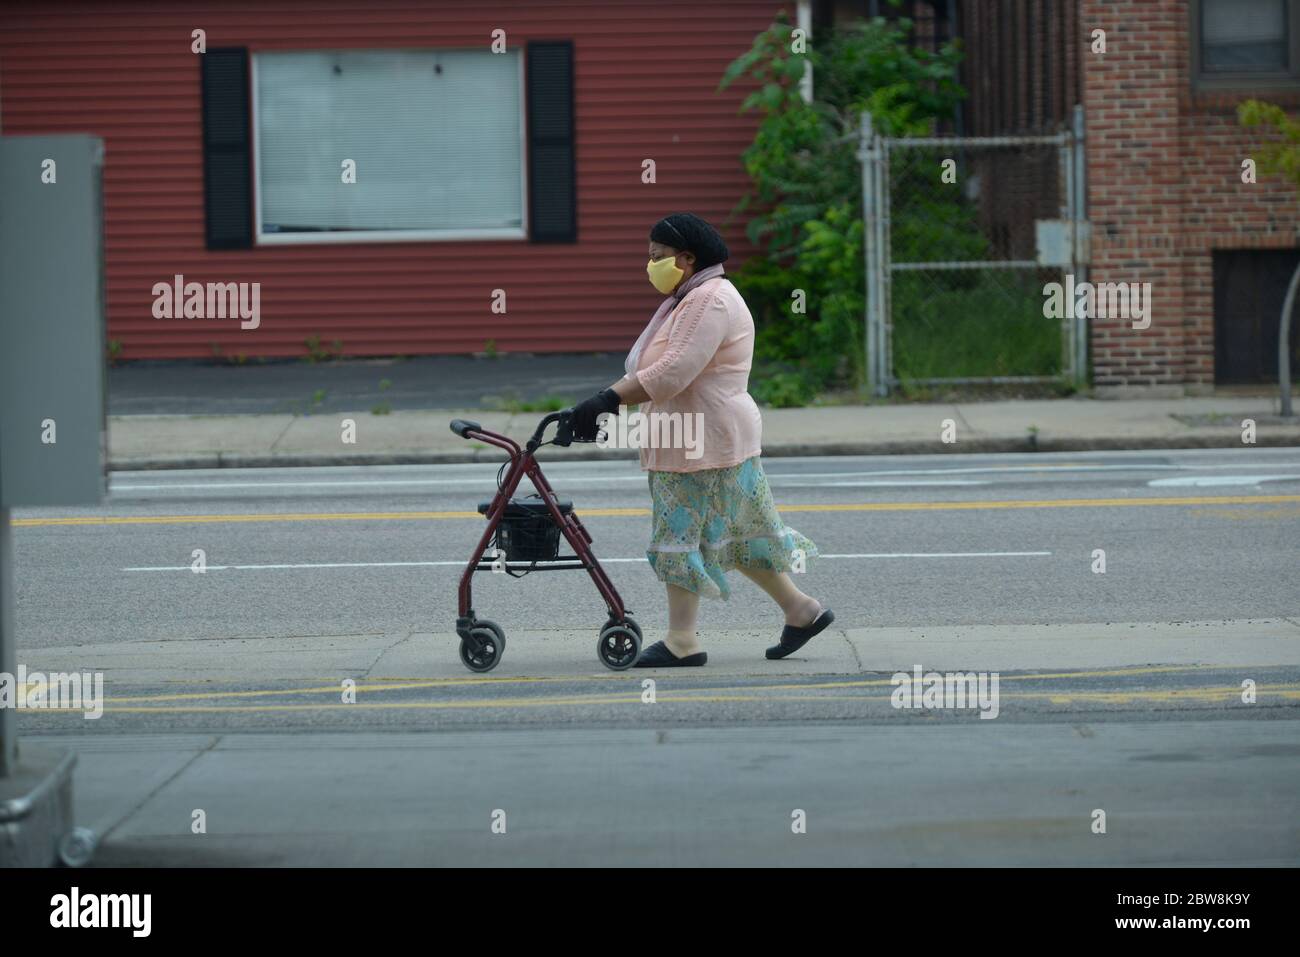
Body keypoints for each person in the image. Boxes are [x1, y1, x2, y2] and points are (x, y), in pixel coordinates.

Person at [570, 212, 833, 667]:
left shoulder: (708, 301)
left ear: (688, 258)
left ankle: (682, 641)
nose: (650, 265)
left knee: (679, 535)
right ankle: (801, 610)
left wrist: (606, 399)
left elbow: (672, 373)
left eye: (658, 257)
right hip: (697, 435)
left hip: (700, 439)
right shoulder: (690, 297)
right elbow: (654, 368)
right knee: (732, 533)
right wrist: (604, 403)